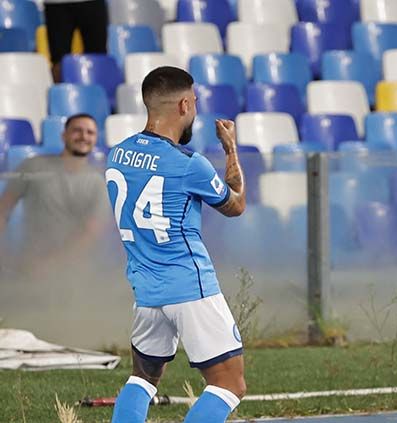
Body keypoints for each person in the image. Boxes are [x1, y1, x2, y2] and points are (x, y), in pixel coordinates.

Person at [106, 66, 247, 423]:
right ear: (185, 104)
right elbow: (236, 204)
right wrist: (231, 149)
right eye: (195, 102)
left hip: (146, 290)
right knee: (229, 384)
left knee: (143, 377)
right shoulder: (188, 164)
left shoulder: (117, 155)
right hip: (190, 285)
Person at [0, 113, 108, 271]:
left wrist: (52, 265)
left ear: (95, 139)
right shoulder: (34, 166)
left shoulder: (98, 182)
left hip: (74, 272)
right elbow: (3, 208)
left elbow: (91, 233)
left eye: (90, 132)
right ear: (64, 135)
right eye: (77, 130)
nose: (84, 136)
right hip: (30, 265)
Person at [43, 0, 109, 82]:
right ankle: (60, 93)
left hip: (92, 3)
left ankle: (100, 93)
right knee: (59, 61)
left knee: (98, 58)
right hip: (56, 4)